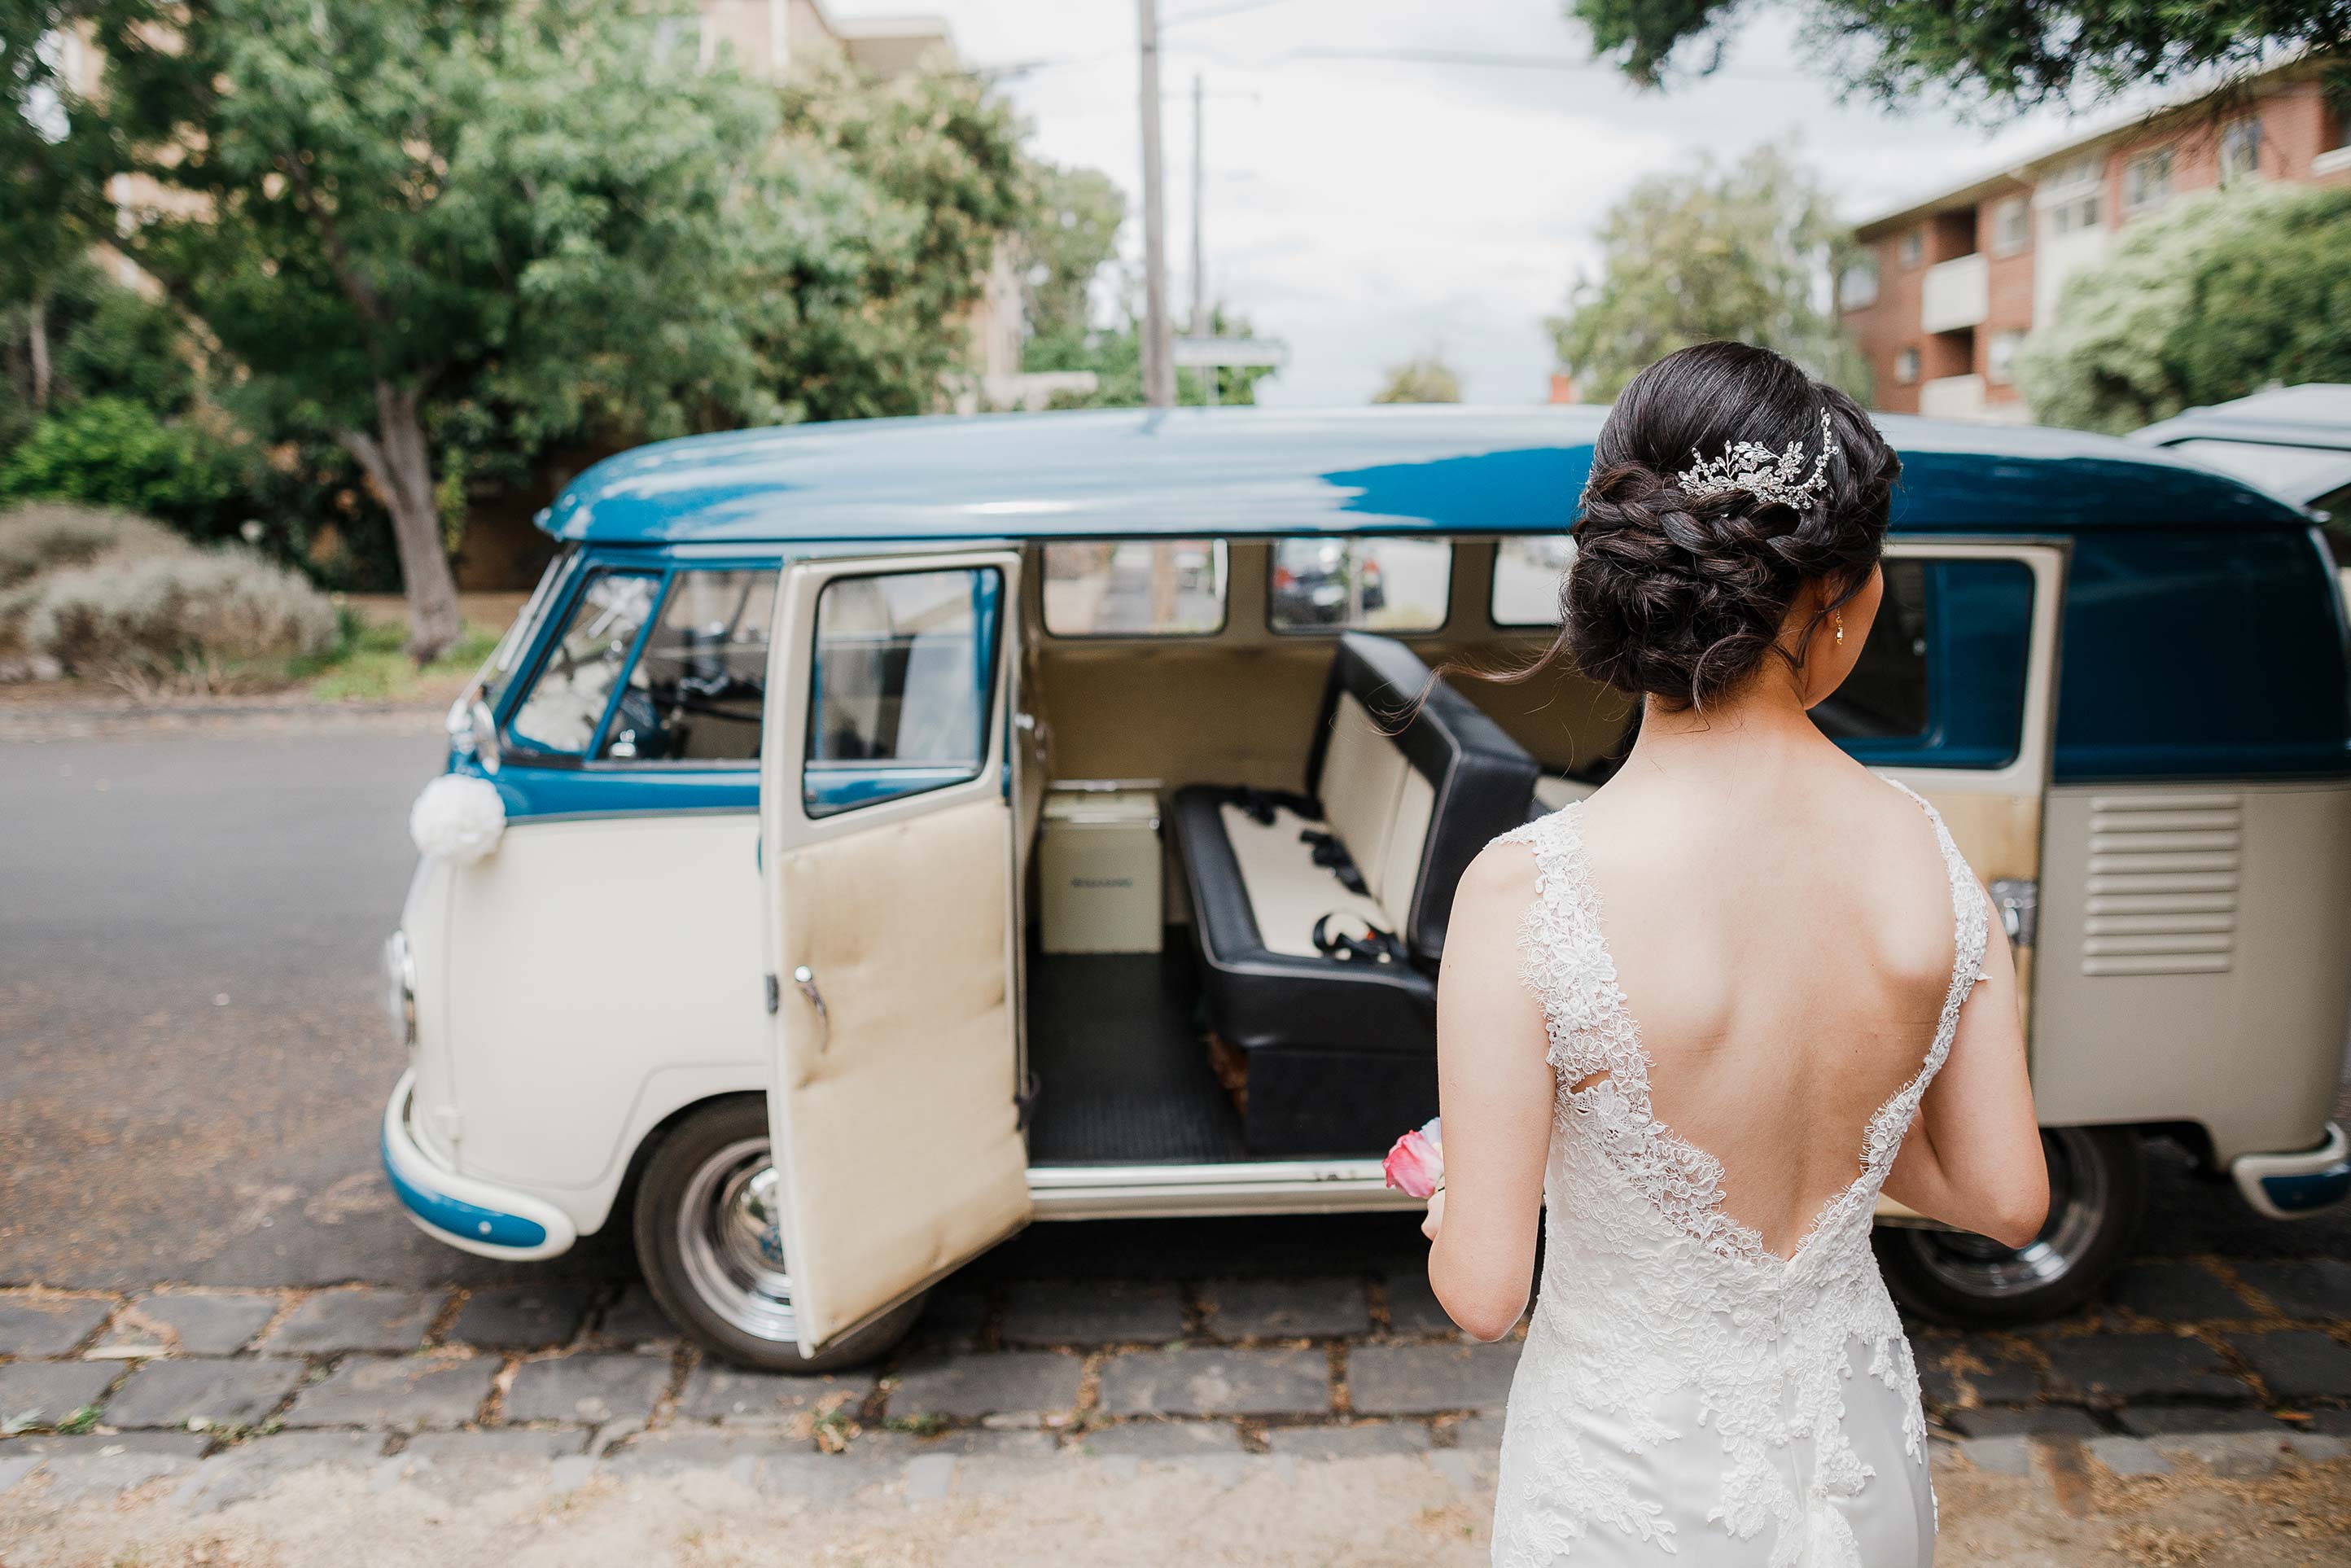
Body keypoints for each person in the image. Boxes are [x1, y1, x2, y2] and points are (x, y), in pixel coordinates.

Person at [1421, 341, 2048, 1566]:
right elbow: (2007, 1198)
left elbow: (1485, 1293)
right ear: (1842, 600)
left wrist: (1459, 1190)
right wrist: (1862, 1121)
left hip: (1627, 1476)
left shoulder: (1527, 889)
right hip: (1848, 1450)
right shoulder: (1933, 858)